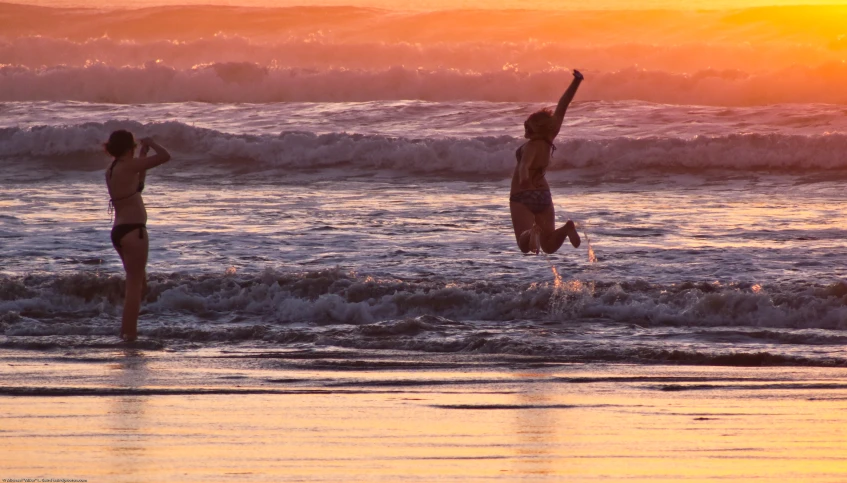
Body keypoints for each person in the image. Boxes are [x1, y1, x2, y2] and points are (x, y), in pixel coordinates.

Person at [104, 130, 171, 341]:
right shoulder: (128, 166)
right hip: (134, 232)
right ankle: (129, 336)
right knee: (134, 286)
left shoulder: (113, 169)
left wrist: (142, 154)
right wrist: (153, 143)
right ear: (128, 147)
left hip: (119, 232)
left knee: (139, 284)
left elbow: (138, 186)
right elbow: (165, 157)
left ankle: (126, 331)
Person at [509, 69, 584, 254]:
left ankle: (532, 232)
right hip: (543, 194)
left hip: (522, 195)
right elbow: (563, 104)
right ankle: (566, 229)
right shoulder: (550, 136)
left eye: (528, 126)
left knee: (523, 244)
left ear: (535, 129)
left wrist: (525, 181)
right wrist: (576, 82)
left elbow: (525, 166)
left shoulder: (530, 147)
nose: (525, 128)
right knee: (549, 246)